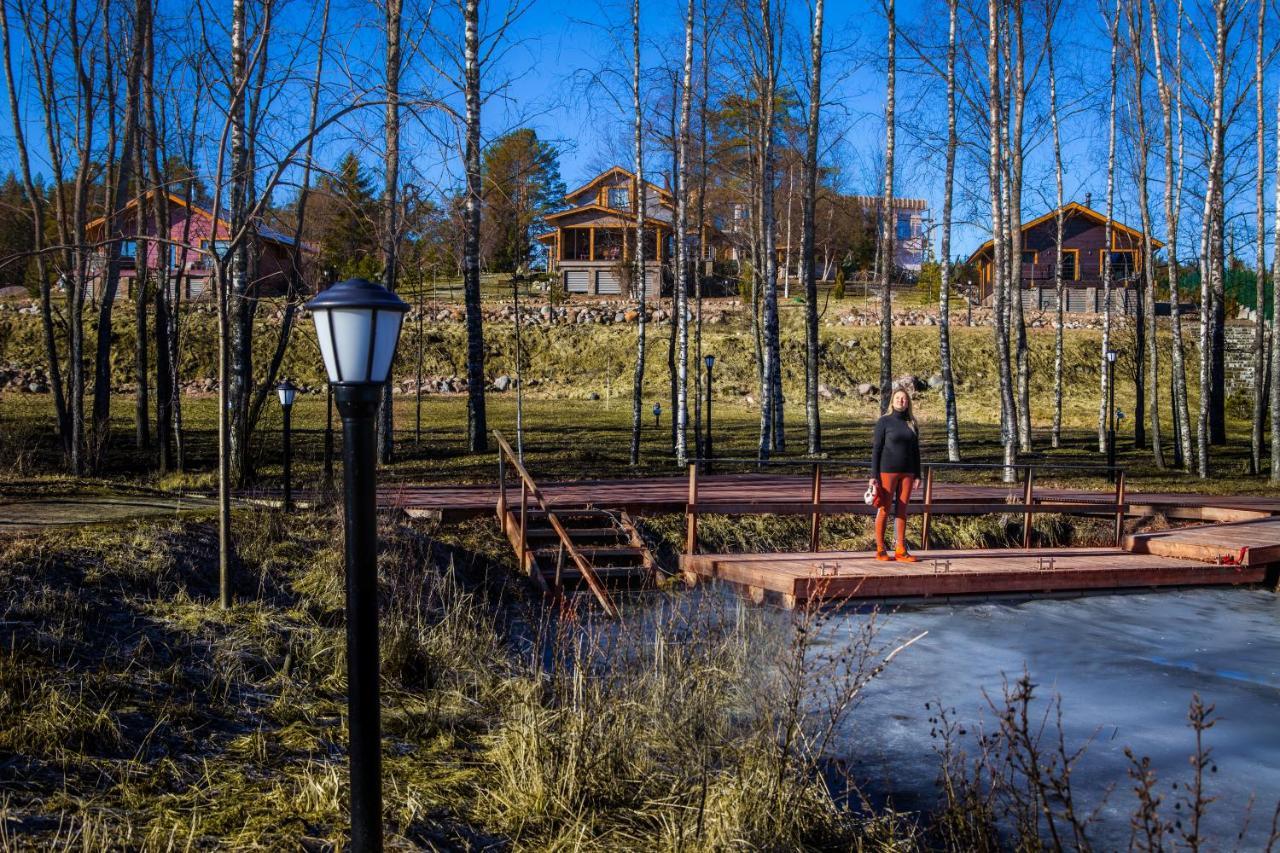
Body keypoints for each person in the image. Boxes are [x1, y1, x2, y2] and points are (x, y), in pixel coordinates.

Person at [869, 386, 921, 561]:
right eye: (898, 398)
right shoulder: (884, 422)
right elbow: (876, 449)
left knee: (902, 509)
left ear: (908, 403)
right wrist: (873, 476)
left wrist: (918, 475)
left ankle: (900, 549)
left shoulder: (912, 424)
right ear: (893, 401)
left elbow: (916, 452)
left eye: (904, 398)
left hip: (908, 472)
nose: (901, 400)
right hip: (887, 471)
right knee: (884, 508)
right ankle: (880, 548)